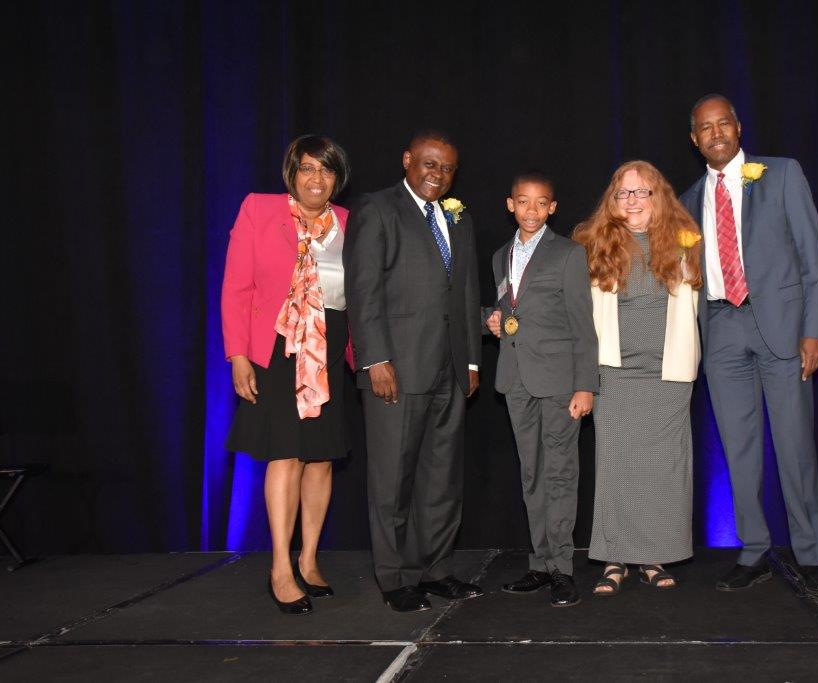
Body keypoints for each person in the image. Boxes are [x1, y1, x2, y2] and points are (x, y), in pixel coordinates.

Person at [679, 94, 818, 596]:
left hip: (783, 328)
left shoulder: (782, 174)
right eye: (706, 128)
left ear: (739, 127)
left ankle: (811, 555)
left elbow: (812, 258)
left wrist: (815, 329)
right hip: (722, 329)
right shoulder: (687, 201)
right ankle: (752, 551)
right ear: (695, 139)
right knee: (738, 449)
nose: (716, 133)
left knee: (795, 445)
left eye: (723, 123)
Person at [344, 131, 482, 613]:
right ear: (407, 160)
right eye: (429, 164)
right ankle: (395, 576)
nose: (437, 174)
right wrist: (375, 359)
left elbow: (466, 291)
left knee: (441, 478)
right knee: (392, 479)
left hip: (450, 369)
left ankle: (436, 569)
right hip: (396, 370)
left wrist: (470, 360)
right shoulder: (377, 209)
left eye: (446, 168)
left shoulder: (458, 218)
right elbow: (363, 290)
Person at [221, 134, 354, 614]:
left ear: (337, 178)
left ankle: (309, 559)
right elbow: (236, 287)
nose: (317, 178)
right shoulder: (259, 209)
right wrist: (238, 355)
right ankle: (280, 567)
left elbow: (359, 295)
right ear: (292, 173)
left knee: (320, 458)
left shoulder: (349, 222)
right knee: (287, 455)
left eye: (326, 169)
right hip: (277, 348)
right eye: (307, 168)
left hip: (329, 349)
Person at [574, 160, 703, 596]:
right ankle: (614, 557)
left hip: (668, 374)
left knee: (662, 470)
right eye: (623, 193)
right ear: (612, 200)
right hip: (614, 373)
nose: (632, 201)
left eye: (641, 192)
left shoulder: (685, 243)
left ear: (657, 197)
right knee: (616, 466)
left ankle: (653, 556)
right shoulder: (593, 244)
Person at [483, 171, 598, 607]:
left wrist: (585, 385)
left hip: (559, 381)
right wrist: (491, 319)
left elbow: (583, 325)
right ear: (510, 204)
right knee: (531, 473)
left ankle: (562, 568)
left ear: (552, 208)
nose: (531, 210)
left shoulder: (568, 253)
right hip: (515, 379)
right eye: (523, 201)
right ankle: (540, 562)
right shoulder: (501, 256)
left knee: (560, 473)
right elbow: (508, 308)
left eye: (540, 203)